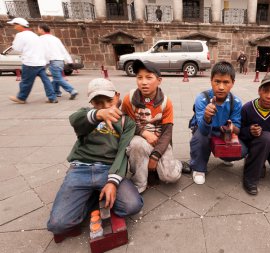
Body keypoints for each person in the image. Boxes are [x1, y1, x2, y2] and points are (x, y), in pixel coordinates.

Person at [47, 78, 143, 241]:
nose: (105, 106)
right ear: (91, 102)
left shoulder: (127, 122)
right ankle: (90, 198)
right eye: (98, 102)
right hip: (80, 169)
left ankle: (95, 194)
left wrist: (112, 182)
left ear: (117, 96)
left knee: (132, 205)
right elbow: (75, 119)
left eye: (109, 100)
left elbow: (122, 153)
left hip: (108, 170)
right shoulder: (86, 115)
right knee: (57, 225)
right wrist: (98, 115)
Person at [121, 60, 182, 193]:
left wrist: (155, 156)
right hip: (139, 139)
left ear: (159, 80)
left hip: (160, 141)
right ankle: (139, 183)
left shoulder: (166, 102)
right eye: (139, 77)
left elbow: (167, 132)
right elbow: (124, 121)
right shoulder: (129, 99)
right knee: (137, 145)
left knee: (170, 177)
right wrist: (143, 132)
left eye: (149, 77)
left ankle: (177, 164)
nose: (143, 82)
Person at [188, 61, 246, 185]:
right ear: (211, 81)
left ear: (233, 83)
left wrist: (232, 128)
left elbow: (238, 128)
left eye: (226, 82)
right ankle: (198, 168)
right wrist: (207, 117)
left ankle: (225, 156)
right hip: (204, 130)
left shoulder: (235, 102)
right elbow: (202, 129)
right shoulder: (202, 99)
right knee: (201, 138)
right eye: (217, 81)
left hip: (222, 131)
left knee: (243, 150)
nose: (221, 87)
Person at [7, 17, 57, 104]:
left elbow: (16, 48)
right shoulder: (34, 35)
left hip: (30, 62)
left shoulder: (20, 35)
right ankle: (52, 97)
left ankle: (21, 97)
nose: (14, 27)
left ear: (20, 26)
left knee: (26, 81)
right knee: (46, 80)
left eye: (15, 25)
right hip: (40, 62)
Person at [37, 23, 78, 100]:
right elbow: (63, 50)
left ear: (42, 30)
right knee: (56, 78)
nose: (37, 30)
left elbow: (43, 52)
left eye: (38, 29)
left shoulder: (41, 39)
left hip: (53, 61)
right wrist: (69, 60)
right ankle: (57, 92)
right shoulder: (55, 39)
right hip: (60, 61)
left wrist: (42, 62)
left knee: (58, 78)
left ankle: (72, 90)